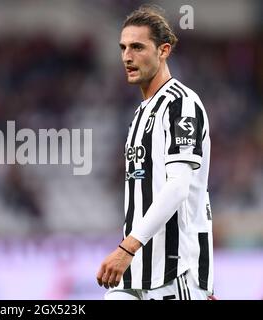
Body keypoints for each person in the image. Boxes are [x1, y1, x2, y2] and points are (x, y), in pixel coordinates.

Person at [96, 5, 214, 300]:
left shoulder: (181, 103)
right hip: (137, 273)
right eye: (123, 47)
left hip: (176, 273)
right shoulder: (140, 114)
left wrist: (127, 248)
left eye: (137, 47)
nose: (126, 56)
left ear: (163, 51)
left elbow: (177, 187)